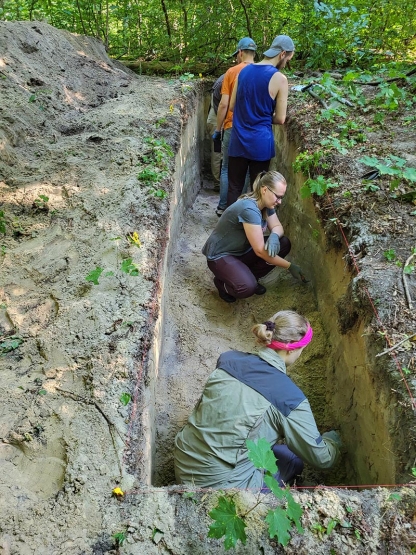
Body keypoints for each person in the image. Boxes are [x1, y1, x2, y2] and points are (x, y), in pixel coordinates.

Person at [174, 310, 342, 489]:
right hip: (216, 487)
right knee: (292, 460)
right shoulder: (290, 399)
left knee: (274, 448)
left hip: (183, 462)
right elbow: (323, 459)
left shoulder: (228, 359)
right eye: (302, 349)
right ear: (292, 346)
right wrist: (334, 440)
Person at [202, 170, 307, 303]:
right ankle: (222, 284)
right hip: (221, 255)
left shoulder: (266, 204)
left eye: (281, 197)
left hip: (240, 251)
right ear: (264, 190)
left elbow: (278, 227)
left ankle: (249, 276)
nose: (279, 201)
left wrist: (274, 236)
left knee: (283, 243)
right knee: (247, 288)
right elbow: (260, 251)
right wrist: (289, 266)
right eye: (278, 196)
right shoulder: (249, 209)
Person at [226, 35, 295, 207]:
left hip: (238, 140)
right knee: (258, 191)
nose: (286, 63)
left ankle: (229, 228)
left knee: (234, 187)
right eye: (288, 59)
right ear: (282, 54)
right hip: (261, 143)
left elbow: (232, 106)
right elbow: (280, 118)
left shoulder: (243, 71)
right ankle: (255, 230)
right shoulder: (280, 79)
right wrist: (262, 115)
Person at [212, 37, 257, 217]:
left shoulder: (231, 72)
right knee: (245, 169)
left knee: (226, 168)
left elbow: (224, 104)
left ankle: (223, 207)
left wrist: (218, 129)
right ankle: (240, 209)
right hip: (253, 129)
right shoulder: (262, 72)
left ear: (240, 53)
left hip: (232, 126)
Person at [206, 74, 225, 190]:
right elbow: (222, 106)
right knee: (218, 153)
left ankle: (219, 183)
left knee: (218, 153)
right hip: (217, 122)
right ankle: (218, 184)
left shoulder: (224, 77)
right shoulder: (226, 81)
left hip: (215, 120)